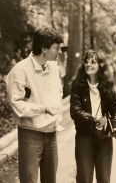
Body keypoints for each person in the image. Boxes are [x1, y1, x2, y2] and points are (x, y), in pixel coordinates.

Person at [6, 27, 64, 183]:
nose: (59, 50)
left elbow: (58, 93)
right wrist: (43, 108)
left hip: (51, 134)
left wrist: (56, 111)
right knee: (29, 180)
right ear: (44, 48)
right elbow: (16, 104)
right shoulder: (20, 70)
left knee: (50, 179)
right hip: (30, 134)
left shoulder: (53, 67)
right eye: (56, 47)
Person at [70, 49, 116, 183]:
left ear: (101, 65)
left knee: (104, 178)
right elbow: (75, 111)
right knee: (84, 178)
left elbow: (115, 109)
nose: (89, 64)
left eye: (93, 62)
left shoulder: (107, 84)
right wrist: (94, 120)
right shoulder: (77, 84)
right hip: (84, 136)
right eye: (86, 61)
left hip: (104, 137)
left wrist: (115, 126)